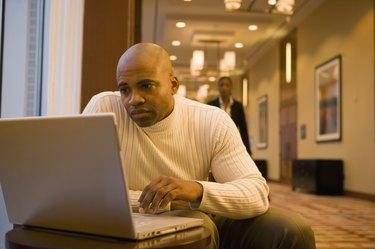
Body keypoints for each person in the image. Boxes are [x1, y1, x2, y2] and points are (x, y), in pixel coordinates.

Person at [83, 42, 316, 249]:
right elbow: (83, 191)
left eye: (146, 86)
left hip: (197, 212)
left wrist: (197, 190)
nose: (134, 99)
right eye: (125, 89)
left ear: (173, 85)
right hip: (128, 220)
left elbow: (256, 194)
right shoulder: (105, 108)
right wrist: (164, 203)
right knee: (197, 224)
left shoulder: (211, 120)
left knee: (292, 229)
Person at [207, 76, 252, 155]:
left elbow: (243, 129)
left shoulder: (238, 106)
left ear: (231, 87)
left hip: (233, 144)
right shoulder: (211, 105)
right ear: (218, 87)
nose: (224, 88)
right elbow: (207, 128)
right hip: (215, 145)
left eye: (227, 85)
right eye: (222, 85)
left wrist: (248, 151)